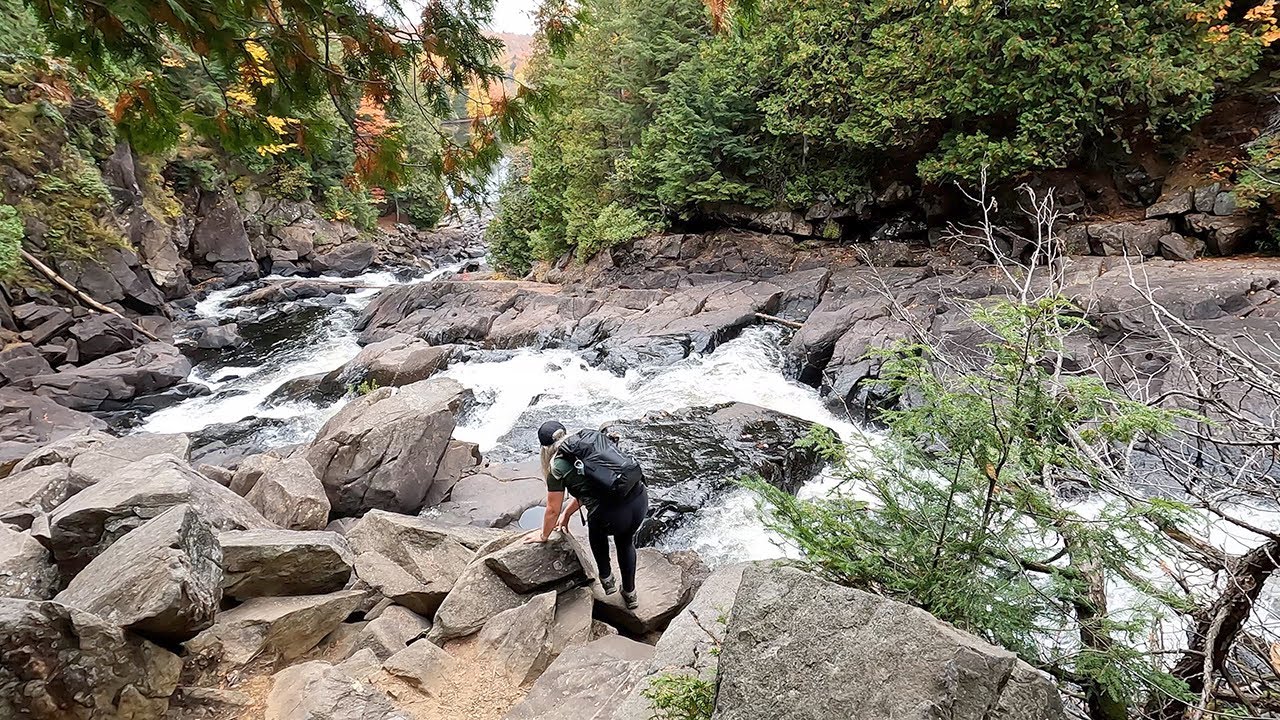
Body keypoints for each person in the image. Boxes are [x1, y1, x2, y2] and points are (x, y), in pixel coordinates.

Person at [526, 420, 648, 609]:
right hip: (638, 498)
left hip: (611, 514)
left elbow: (551, 509)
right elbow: (594, 486)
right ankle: (630, 594)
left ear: (544, 447)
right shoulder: (589, 443)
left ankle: (607, 579)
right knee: (625, 542)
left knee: (596, 529)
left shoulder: (557, 466)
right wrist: (567, 513)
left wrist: (544, 535)